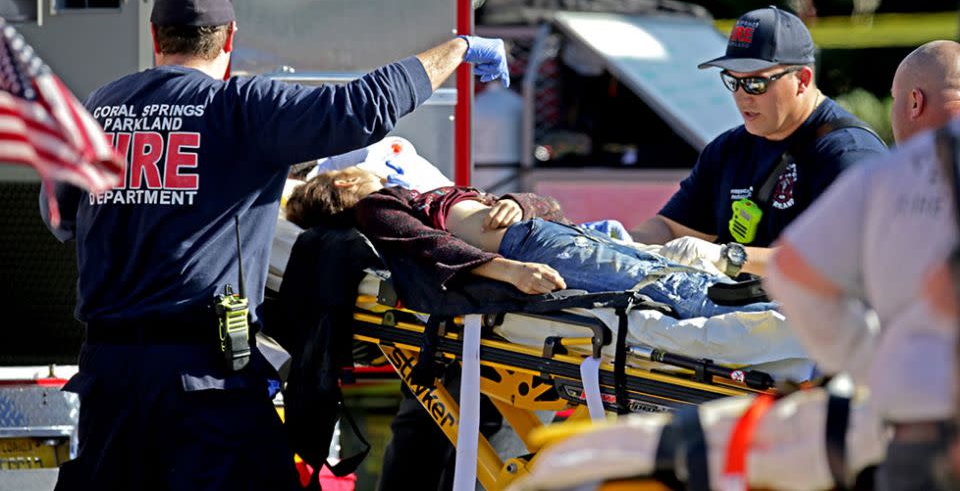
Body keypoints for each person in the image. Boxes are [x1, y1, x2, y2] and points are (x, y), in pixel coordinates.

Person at [38, 0, 512, 490]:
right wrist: (458, 48)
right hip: (205, 387)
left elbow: (57, 215)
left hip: (107, 379)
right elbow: (361, 106)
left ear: (155, 36)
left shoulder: (101, 107)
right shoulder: (239, 108)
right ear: (230, 38)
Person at [765, 40, 960, 490]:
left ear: (913, 102)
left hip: (921, 435)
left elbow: (792, 270)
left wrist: (869, 361)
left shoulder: (887, 179)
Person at [284, 166, 776, 320]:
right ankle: (773, 319)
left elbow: (549, 207)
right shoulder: (377, 208)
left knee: (671, 276)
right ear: (345, 188)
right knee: (661, 286)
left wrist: (520, 202)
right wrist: (510, 271)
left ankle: (771, 306)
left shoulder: (412, 197)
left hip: (548, 234)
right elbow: (433, 247)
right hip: (534, 249)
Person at [629, 6, 886, 276]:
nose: (742, 96)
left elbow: (840, 259)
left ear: (802, 80)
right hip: (742, 314)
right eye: (733, 81)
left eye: (755, 84)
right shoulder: (727, 150)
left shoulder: (849, 154)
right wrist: (622, 243)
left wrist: (731, 257)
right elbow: (670, 228)